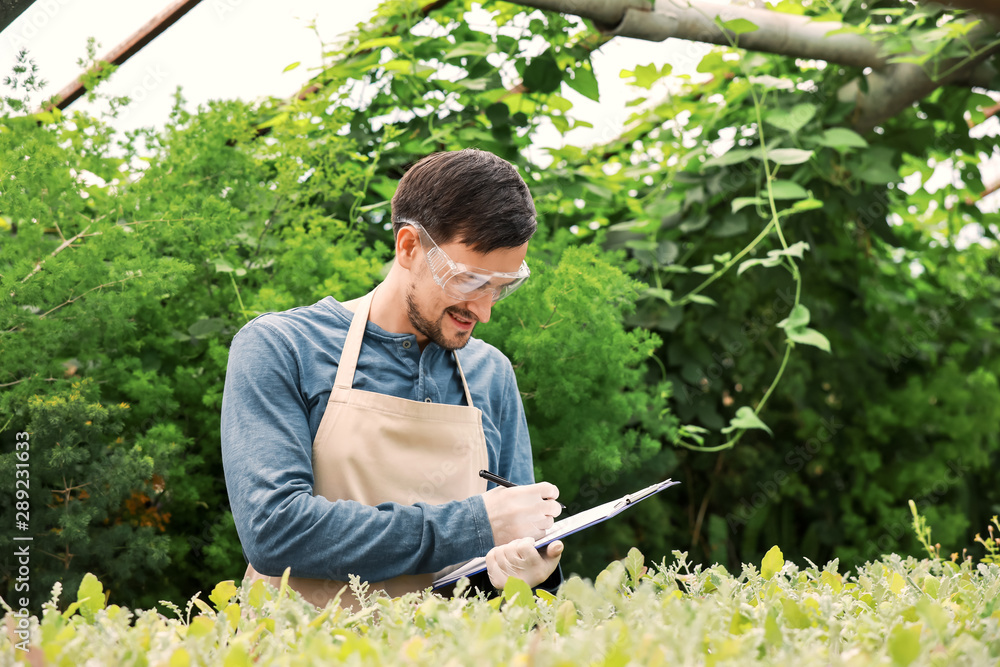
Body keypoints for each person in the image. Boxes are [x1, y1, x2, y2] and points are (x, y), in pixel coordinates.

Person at [220, 148, 564, 610]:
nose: (482, 310)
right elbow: (276, 532)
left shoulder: (491, 373)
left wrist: (531, 571)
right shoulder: (283, 347)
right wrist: (473, 525)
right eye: (469, 281)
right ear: (408, 247)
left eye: (500, 287)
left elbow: (511, 533)